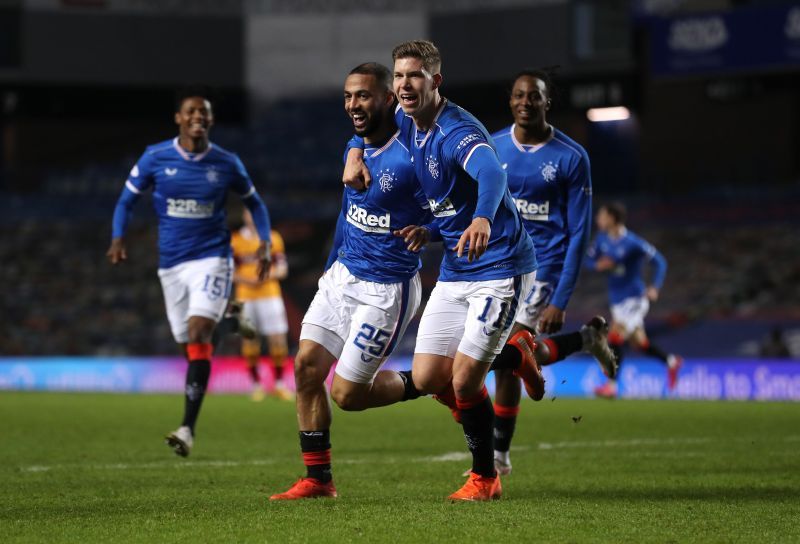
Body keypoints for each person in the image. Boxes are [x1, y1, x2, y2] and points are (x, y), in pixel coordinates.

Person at [343, 40, 543, 501]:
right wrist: (355, 151)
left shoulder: (456, 131)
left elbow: (492, 174)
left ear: (435, 81)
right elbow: (366, 126)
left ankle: (485, 478)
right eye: (398, 76)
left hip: (500, 263)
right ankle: (516, 354)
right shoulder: (404, 122)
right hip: (457, 264)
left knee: (465, 379)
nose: (404, 84)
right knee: (431, 378)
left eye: (414, 75)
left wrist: (483, 218)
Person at [269, 62, 433, 500]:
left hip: (387, 288)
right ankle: (318, 480)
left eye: (363, 96)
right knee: (305, 368)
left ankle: (433, 382)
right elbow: (346, 214)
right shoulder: (358, 144)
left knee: (347, 394)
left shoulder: (417, 152)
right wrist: (329, 267)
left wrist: (431, 231)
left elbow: (453, 203)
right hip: (343, 275)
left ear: (388, 99)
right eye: (348, 96)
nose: (353, 105)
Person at [106, 89, 272, 457]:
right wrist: (118, 236)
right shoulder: (155, 157)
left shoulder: (227, 163)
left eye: (204, 112)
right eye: (191, 111)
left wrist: (264, 242)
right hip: (171, 265)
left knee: (198, 333)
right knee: (192, 347)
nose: (198, 116)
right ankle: (230, 320)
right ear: (178, 119)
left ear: (211, 121)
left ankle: (188, 428)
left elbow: (254, 203)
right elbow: (126, 200)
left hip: (212, 258)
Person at [484, 69, 617, 475]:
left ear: (547, 103)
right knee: (509, 356)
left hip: (542, 267)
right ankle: (586, 338)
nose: (526, 102)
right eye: (519, 95)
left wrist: (560, 297)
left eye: (535, 97)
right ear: (511, 101)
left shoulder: (571, 156)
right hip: (495, 265)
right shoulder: (492, 147)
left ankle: (499, 454)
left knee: (509, 352)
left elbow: (579, 232)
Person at [586, 202, 682, 398]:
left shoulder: (633, 242)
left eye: (602, 216)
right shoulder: (601, 239)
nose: (598, 219)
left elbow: (660, 262)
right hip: (617, 302)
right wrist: (597, 265)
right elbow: (587, 260)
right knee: (640, 343)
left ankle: (611, 386)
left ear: (612, 219)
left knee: (614, 336)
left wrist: (655, 286)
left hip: (635, 299)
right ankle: (672, 362)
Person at [231, 210, 291, 401]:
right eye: (249, 212)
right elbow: (229, 272)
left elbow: (283, 269)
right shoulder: (235, 240)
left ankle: (279, 384)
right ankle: (256, 385)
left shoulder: (273, 237)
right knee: (249, 340)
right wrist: (248, 280)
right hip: (245, 296)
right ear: (244, 216)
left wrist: (266, 276)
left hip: (270, 294)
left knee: (278, 339)